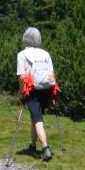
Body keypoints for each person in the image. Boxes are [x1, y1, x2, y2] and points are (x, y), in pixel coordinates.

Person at [16, 26, 58, 161]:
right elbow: (52, 75)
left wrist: (22, 94)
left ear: (25, 39)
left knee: (38, 119)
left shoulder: (22, 55)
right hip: (45, 90)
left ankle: (45, 148)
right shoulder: (45, 53)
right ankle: (32, 146)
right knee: (35, 117)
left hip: (32, 90)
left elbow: (22, 77)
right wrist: (53, 95)